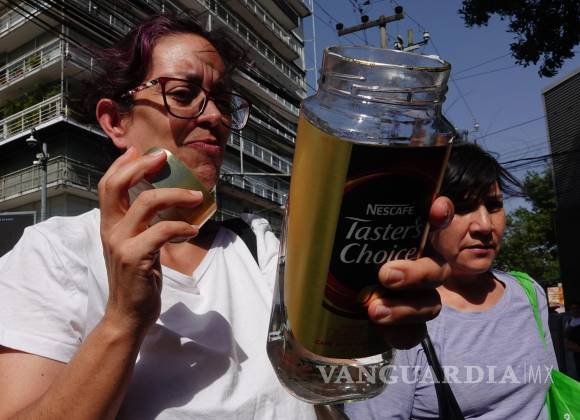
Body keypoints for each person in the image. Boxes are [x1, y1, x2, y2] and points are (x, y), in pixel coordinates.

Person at [0, 14, 453, 420]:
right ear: (115, 121)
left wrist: (373, 300)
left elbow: (329, 386)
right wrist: (122, 319)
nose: (215, 116)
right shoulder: (55, 252)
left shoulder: (260, 247)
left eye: (222, 100)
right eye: (182, 94)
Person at [345, 143, 558, 419]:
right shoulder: (402, 318)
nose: (484, 225)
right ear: (428, 214)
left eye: (494, 205)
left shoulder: (528, 292)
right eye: (462, 207)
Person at [564, 301, 580, 378]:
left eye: (576, 308)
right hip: (575, 351)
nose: (574, 310)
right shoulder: (569, 321)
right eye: (573, 309)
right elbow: (566, 336)